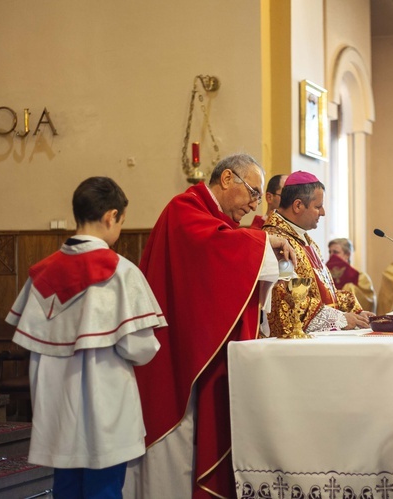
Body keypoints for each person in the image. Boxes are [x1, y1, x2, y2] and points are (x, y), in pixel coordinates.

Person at [126, 154, 296, 498]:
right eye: (252, 192)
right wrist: (264, 243)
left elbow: (222, 258)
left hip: (197, 346)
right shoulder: (184, 209)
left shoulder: (212, 218)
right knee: (174, 454)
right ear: (227, 178)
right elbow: (214, 247)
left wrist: (258, 247)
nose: (253, 205)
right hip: (173, 353)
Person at [5, 177, 165, 498]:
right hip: (105, 406)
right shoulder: (121, 271)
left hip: (57, 407)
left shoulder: (42, 273)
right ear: (111, 216)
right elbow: (140, 348)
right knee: (103, 489)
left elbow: (32, 339)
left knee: (65, 488)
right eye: (120, 222)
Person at [263, 171, 371, 335]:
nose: (323, 212)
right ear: (298, 206)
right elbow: (286, 300)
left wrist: (355, 313)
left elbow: (324, 294)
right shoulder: (276, 242)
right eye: (318, 207)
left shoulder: (306, 241)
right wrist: (340, 319)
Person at [327, 237, 376, 313]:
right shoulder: (325, 275)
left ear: (347, 254)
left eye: (335, 252)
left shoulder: (360, 277)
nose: (331, 256)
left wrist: (349, 290)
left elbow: (369, 303)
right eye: (330, 252)